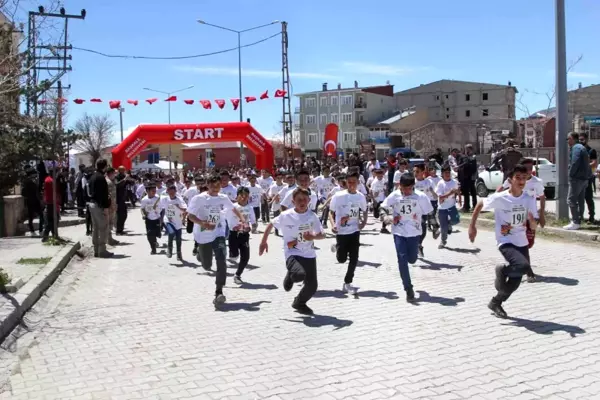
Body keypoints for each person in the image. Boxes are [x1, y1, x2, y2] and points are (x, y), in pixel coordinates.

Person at [468, 164, 539, 319]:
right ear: (510, 180)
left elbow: (533, 225)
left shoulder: (528, 198)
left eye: (524, 178)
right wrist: (472, 226)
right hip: (505, 239)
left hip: (522, 241)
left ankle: (495, 302)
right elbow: (480, 204)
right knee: (524, 266)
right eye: (517, 178)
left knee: (515, 282)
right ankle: (502, 270)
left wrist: (532, 222)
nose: (521, 181)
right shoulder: (501, 198)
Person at [259, 187, 325, 315]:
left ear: (309, 201)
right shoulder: (286, 215)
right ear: (293, 201)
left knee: (312, 286)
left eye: (304, 200)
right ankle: (290, 275)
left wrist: (313, 237)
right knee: (299, 275)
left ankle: (299, 303)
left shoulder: (312, 216)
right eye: (299, 200)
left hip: (309, 254)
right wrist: (263, 242)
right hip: (292, 252)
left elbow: (322, 234)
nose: (302, 202)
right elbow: (271, 224)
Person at [187, 175, 246, 307]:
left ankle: (219, 291)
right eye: (212, 186)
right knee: (207, 266)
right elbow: (190, 215)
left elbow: (233, 208)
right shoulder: (199, 199)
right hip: (203, 235)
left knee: (221, 258)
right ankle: (200, 254)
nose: (215, 189)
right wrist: (202, 223)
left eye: (218, 186)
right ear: (207, 185)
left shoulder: (222, 198)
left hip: (218, 232)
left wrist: (242, 219)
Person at [381, 173, 433, 302]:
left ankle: (417, 250)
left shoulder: (421, 196)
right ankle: (408, 288)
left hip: (414, 232)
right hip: (399, 232)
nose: (407, 191)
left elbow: (430, 213)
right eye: (404, 188)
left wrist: (435, 225)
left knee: (412, 259)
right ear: (400, 186)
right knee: (402, 259)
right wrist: (389, 217)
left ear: (413, 186)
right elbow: (382, 207)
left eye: (409, 188)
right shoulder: (395, 195)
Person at [496, 157, 546, 282]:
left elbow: (542, 197)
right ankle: (527, 271)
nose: (529, 171)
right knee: (513, 240)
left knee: (527, 243)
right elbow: (501, 189)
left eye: (531, 168)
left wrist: (542, 215)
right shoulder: (514, 180)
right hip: (512, 218)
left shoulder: (537, 182)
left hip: (530, 217)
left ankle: (520, 265)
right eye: (526, 168)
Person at [329, 171, 368, 294]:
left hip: (354, 231)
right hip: (341, 232)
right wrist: (333, 224)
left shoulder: (360, 196)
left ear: (358, 183)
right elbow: (331, 212)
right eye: (349, 182)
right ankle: (337, 246)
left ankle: (348, 282)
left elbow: (365, 210)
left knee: (354, 258)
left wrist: (363, 223)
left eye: (354, 182)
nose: (351, 184)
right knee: (341, 259)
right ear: (345, 182)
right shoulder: (338, 196)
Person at [565, 131, 593, 230]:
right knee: (580, 200)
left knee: (571, 200)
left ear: (572, 139)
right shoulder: (583, 148)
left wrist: (570, 174)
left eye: (568, 139)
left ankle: (575, 222)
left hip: (576, 178)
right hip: (584, 179)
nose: (567, 141)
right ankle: (579, 220)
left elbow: (575, 162)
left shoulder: (576, 148)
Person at [227, 186, 255, 284]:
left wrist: (252, 227)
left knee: (246, 257)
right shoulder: (232, 207)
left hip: (244, 235)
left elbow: (253, 221)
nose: (244, 197)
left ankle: (237, 275)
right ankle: (232, 253)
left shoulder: (250, 208)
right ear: (237, 196)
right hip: (233, 235)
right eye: (241, 195)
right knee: (234, 256)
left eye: (246, 196)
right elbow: (223, 217)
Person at [413, 163, 440, 257]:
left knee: (429, 224)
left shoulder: (428, 182)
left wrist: (432, 191)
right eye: (414, 171)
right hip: (415, 209)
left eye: (417, 171)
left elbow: (436, 195)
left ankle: (433, 231)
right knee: (422, 227)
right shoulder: (412, 182)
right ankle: (418, 245)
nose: (415, 173)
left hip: (426, 207)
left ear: (423, 172)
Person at [88, 159, 113, 258]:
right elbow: (103, 194)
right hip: (99, 205)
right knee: (103, 228)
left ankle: (96, 250)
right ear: (104, 167)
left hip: (92, 204)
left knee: (96, 228)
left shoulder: (93, 176)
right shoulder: (101, 178)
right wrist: (106, 207)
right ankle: (102, 250)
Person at [435, 165, 461, 248]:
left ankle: (448, 225)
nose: (447, 174)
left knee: (456, 221)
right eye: (445, 172)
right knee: (443, 227)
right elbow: (440, 198)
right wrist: (450, 193)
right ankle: (443, 241)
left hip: (452, 206)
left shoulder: (454, 182)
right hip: (442, 208)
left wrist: (459, 200)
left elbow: (458, 192)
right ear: (442, 174)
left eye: (448, 172)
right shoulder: (440, 184)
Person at [162, 184, 187, 260]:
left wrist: (178, 207)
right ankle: (169, 249)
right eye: (170, 192)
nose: (171, 194)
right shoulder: (165, 199)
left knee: (178, 239)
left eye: (173, 192)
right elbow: (158, 205)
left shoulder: (179, 200)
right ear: (167, 191)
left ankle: (179, 253)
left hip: (178, 221)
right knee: (171, 232)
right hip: (168, 220)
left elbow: (185, 210)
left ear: (176, 192)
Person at [140, 182, 165, 255]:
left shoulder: (158, 198)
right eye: (152, 191)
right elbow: (142, 209)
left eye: (155, 191)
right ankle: (153, 248)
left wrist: (161, 218)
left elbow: (162, 209)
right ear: (147, 191)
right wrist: (143, 214)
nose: (154, 192)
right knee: (150, 234)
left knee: (157, 234)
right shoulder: (144, 200)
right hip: (149, 220)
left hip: (157, 219)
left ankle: (155, 240)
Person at [579, 133, 597, 223]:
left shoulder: (591, 151)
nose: (581, 141)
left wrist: (584, 165)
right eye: (579, 140)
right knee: (579, 198)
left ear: (586, 140)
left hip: (588, 178)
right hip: (579, 178)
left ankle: (591, 217)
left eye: (582, 139)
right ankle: (580, 216)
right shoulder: (578, 150)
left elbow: (594, 163)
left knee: (588, 197)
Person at [22, 168, 44, 237]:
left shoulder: (32, 181)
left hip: (35, 201)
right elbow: (24, 192)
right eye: (34, 174)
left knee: (40, 216)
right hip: (31, 201)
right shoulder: (27, 182)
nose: (36, 175)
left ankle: (39, 230)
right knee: (32, 217)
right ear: (31, 174)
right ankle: (33, 231)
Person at [457, 144, 478, 212]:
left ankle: (472, 206)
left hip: (471, 177)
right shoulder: (467, 157)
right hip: (466, 177)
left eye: (468, 149)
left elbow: (470, 166)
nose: (466, 151)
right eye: (466, 149)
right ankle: (468, 206)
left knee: (472, 192)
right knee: (467, 192)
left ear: (471, 150)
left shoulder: (472, 157)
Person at [268, 171, 287, 236]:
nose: (279, 179)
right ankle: (276, 231)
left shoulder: (285, 185)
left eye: (280, 178)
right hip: (276, 204)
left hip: (284, 205)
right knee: (276, 218)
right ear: (275, 178)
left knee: (285, 219)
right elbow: (270, 194)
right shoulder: (273, 186)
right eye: (278, 178)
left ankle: (285, 231)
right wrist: (274, 198)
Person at [105, 167, 119, 246]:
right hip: (109, 206)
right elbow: (108, 196)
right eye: (114, 173)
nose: (115, 175)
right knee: (109, 223)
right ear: (110, 173)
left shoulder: (111, 181)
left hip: (112, 204)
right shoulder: (107, 182)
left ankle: (110, 238)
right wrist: (111, 205)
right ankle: (108, 239)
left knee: (111, 222)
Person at [115, 166, 130, 234]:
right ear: (119, 170)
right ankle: (118, 230)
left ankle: (121, 229)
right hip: (118, 199)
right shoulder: (116, 177)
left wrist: (129, 178)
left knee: (124, 215)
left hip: (122, 199)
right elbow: (117, 185)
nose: (124, 171)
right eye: (123, 170)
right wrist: (125, 179)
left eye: (124, 170)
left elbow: (131, 182)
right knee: (120, 215)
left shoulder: (124, 176)